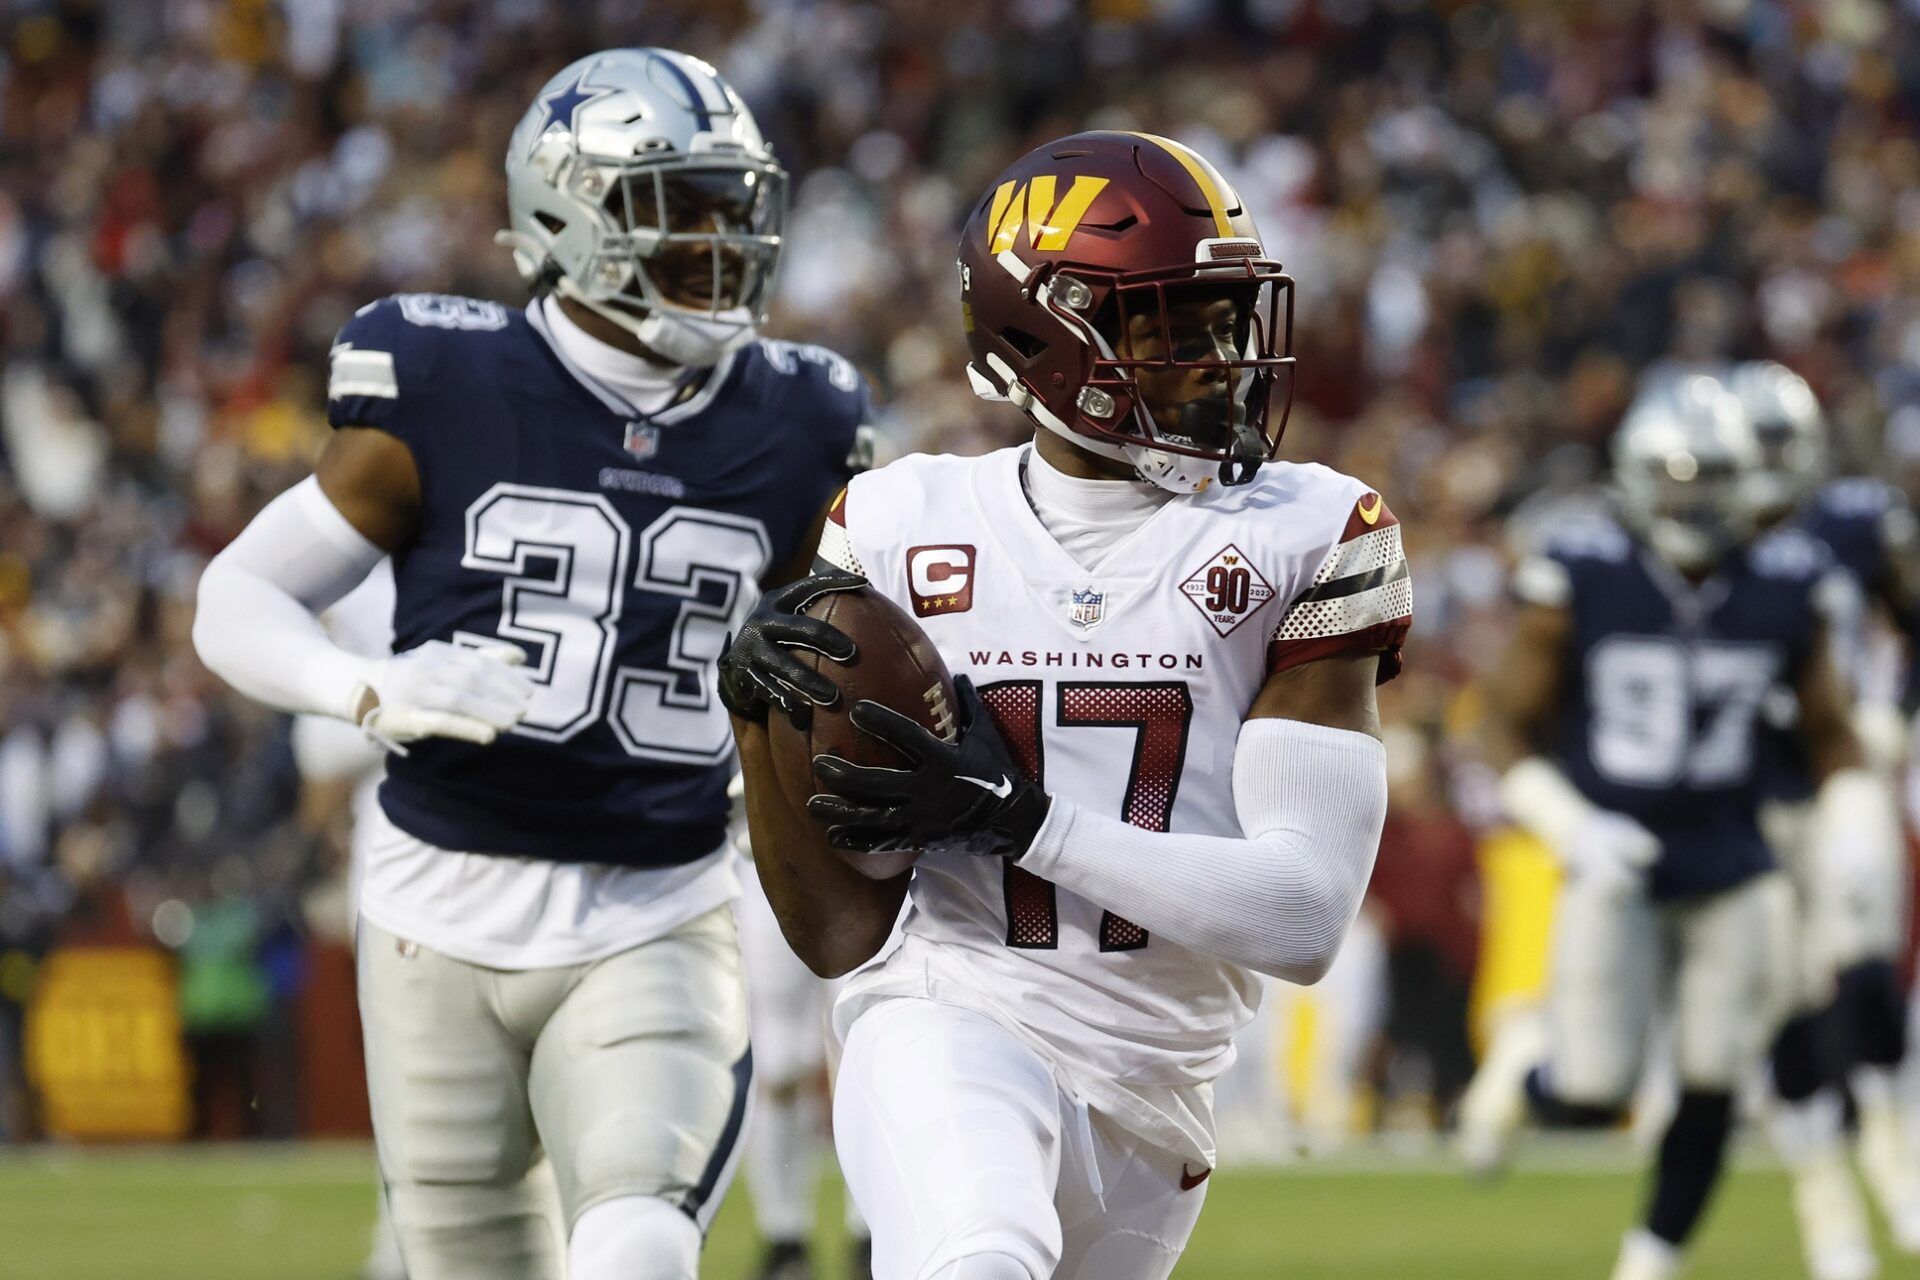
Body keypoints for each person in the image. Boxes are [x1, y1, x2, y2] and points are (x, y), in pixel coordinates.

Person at [192, 48, 871, 1280]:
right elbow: (235, 594)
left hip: (658, 902)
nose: (728, 242)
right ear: (574, 211)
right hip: (430, 911)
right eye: (689, 207)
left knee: (635, 1246)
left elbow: (854, 654)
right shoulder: (449, 379)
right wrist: (371, 688)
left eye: (737, 206)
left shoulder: (800, 418)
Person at [721, 130, 1410, 1280]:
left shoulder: (1312, 530)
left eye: (1225, 319)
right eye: (1169, 322)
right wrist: (762, 731)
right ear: (1039, 333)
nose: (1218, 360)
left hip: (1159, 1077)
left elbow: (1302, 915)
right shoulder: (896, 523)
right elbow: (842, 931)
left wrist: (1025, 819)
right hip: (953, 1008)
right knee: (980, 1254)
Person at [1477, 376, 1894, 1280]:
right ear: (1634, 478)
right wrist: (1572, 825)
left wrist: (1854, 819)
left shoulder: (1787, 579)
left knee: (1713, 1073)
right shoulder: (1582, 569)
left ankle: (1648, 1262)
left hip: (1735, 859)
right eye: (1675, 481)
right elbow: (1500, 727)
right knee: (1593, 1095)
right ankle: (1526, 1067)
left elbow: (1831, 735)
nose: (1692, 504)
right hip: (1613, 860)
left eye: (1710, 483)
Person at [1735, 359, 1920, 1278]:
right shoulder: (1706, 534)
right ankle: (1824, 1194)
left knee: (1863, 949)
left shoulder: (1851, 523)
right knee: (1786, 992)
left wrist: (1900, 712)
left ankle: (1890, 1131)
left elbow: (1914, 613)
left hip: (1843, 765)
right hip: (1750, 791)